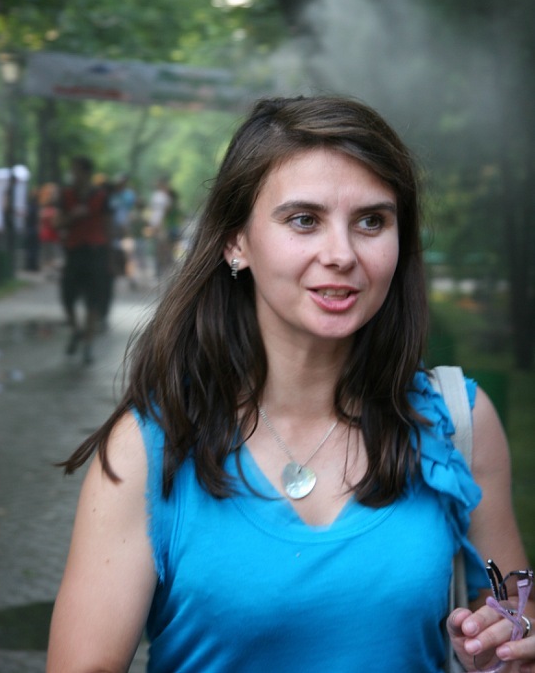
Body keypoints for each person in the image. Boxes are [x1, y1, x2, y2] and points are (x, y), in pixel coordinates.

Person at [47, 97, 533, 672]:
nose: (341, 254)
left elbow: (512, 621)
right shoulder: (147, 448)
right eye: (304, 220)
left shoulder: (459, 424)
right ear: (236, 242)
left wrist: (508, 648)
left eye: (371, 221)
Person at [56, 155, 111, 365]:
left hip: (95, 253)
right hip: (74, 252)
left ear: (86, 172)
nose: (73, 174)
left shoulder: (101, 196)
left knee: (92, 301)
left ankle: (88, 344)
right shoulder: (66, 194)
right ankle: (76, 330)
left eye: (76, 170)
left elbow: (108, 225)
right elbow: (57, 222)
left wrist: (110, 258)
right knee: (67, 297)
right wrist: (73, 216)